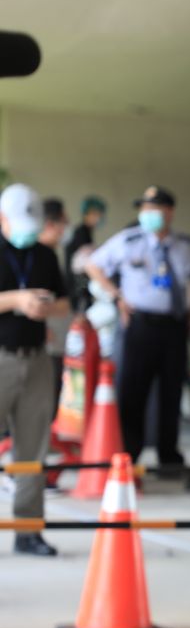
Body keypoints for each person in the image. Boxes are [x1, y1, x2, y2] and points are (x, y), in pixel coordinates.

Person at [85, 186, 190, 467]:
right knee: (132, 389)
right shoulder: (129, 240)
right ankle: (129, 451)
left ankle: (168, 453)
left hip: (173, 326)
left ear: (169, 212)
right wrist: (117, 296)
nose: (148, 214)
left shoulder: (184, 245)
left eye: (155, 208)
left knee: (172, 391)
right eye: (145, 209)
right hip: (139, 324)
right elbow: (93, 265)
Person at [0, 184, 69, 556]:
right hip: (1, 356)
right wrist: (15, 300)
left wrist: (46, 307)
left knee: (32, 448)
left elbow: (64, 301)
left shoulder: (44, 254)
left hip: (37, 357)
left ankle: (28, 530)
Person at [39, 198, 73, 410]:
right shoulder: (35, 256)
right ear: (50, 224)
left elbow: (62, 302)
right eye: (64, 222)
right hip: (40, 345)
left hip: (53, 343)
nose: (65, 229)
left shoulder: (49, 256)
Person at [64, 195, 105, 312]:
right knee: (82, 310)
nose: (99, 217)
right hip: (78, 280)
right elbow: (84, 258)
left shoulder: (87, 231)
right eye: (96, 214)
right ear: (88, 213)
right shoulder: (81, 232)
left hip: (82, 279)